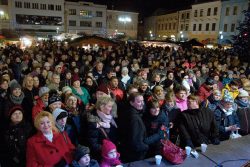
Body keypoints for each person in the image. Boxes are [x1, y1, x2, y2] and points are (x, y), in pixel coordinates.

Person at [120, 93, 164, 162]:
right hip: (136, 153)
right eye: (139, 101)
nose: (142, 103)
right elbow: (135, 140)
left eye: (142, 101)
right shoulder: (134, 118)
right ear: (131, 103)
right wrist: (145, 147)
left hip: (131, 150)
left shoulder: (133, 113)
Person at [86, 96, 118, 160]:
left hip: (112, 153)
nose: (111, 109)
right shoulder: (93, 121)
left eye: (111, 106)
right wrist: (107, 149)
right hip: (102, 156)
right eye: (109, 106)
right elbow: (93, 144)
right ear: (102, 107)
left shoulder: (111, 118)